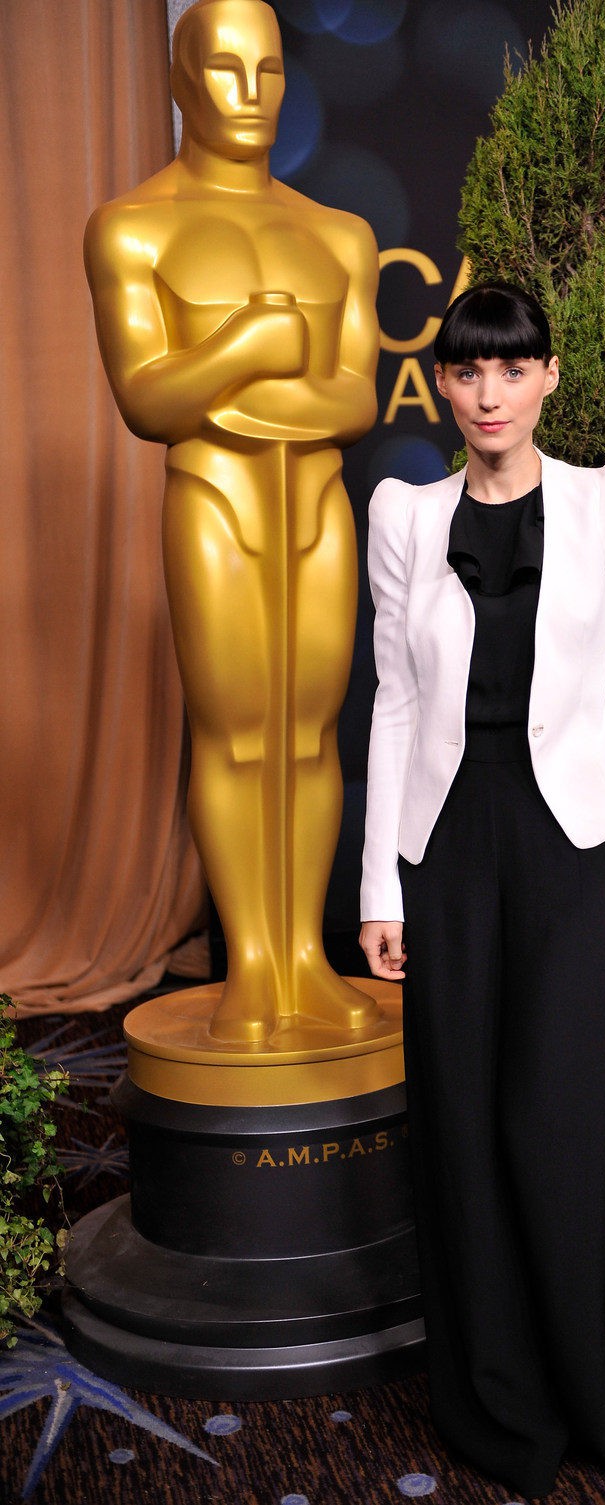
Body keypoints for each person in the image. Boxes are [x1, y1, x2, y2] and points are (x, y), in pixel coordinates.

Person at [359, 282, 605, 1497]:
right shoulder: (404, 514)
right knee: (463, 1120)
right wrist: (380, 883)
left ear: (547, 378)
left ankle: (592, 1391)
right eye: (466, 370)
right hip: (448, 843)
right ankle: (496, 1404)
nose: (488, 392)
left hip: (569, 840)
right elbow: (390, 702)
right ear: (441, 384)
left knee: (567, 1121)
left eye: (512, 367)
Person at [84, 0, 382, 1044]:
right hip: (213, 501)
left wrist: (221, 387)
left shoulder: (334, 233)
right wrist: (255, 343)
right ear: (179, 80)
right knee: (236, 733)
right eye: (222, 71)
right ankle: (250, 960)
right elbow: (148, 403)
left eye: (267, 73)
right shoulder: (134, 227)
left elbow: (354, 402)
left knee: (307, 735)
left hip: (314, 505)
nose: (250, 96)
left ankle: (303, 953)